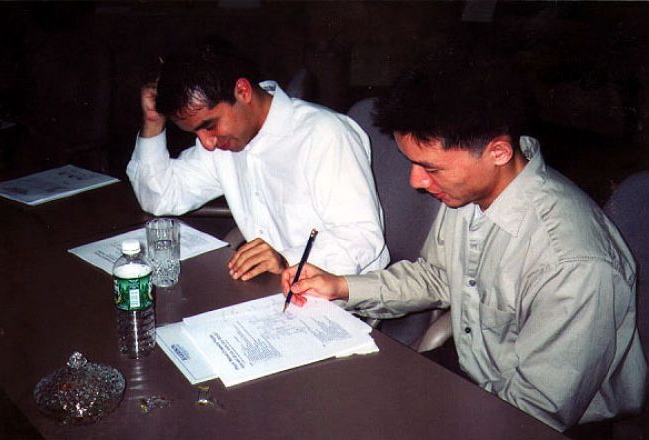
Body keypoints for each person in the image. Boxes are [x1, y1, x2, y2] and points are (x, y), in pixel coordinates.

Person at [280, 57, 647, 432]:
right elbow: (438, 277)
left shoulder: (572, 262)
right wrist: (340, 286)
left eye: (431, 168)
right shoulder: (472, 192)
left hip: (546, 421)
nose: (416, 182)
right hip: (475, 375)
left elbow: (534, 413)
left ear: (498, 152)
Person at [127, 42, 389, 281]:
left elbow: (362, 238)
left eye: (209, 125)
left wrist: (287, 258)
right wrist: (153, 121)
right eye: (196, 132)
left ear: (242, 91)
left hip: (337, 295)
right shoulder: (226, 139)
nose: (207, 143)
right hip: (272, 291)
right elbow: (162, 196)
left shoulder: (324, 135)